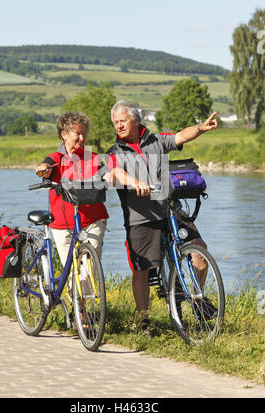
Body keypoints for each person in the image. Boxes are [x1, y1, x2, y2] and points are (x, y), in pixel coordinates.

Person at [107, 100, 218, 333]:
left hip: (169, 208)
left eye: (122, 121)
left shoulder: (156, 141)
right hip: (140, 218)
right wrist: (135, 182)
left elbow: (180, 137)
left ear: (135, 119)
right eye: (115, 122)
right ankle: (144, 322)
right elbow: (115, 171)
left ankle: (197, 300)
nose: (118, 126)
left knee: (199, 252)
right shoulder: (115, 152)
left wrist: (199, 128)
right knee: (141, 269)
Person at [36, 112, 109, 272]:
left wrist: (111, 176)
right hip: (62, 223)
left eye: (84, 134)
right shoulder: (55, 158)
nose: (82, 138)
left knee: (90, 268)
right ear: (64, 134)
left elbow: (105, 172)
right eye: (78, 133)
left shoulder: (92, 157)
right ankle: (76, 297)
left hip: (93, 220)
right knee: (70, 271)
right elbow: (45, 167)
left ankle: (88, 296)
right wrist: (43, 171)